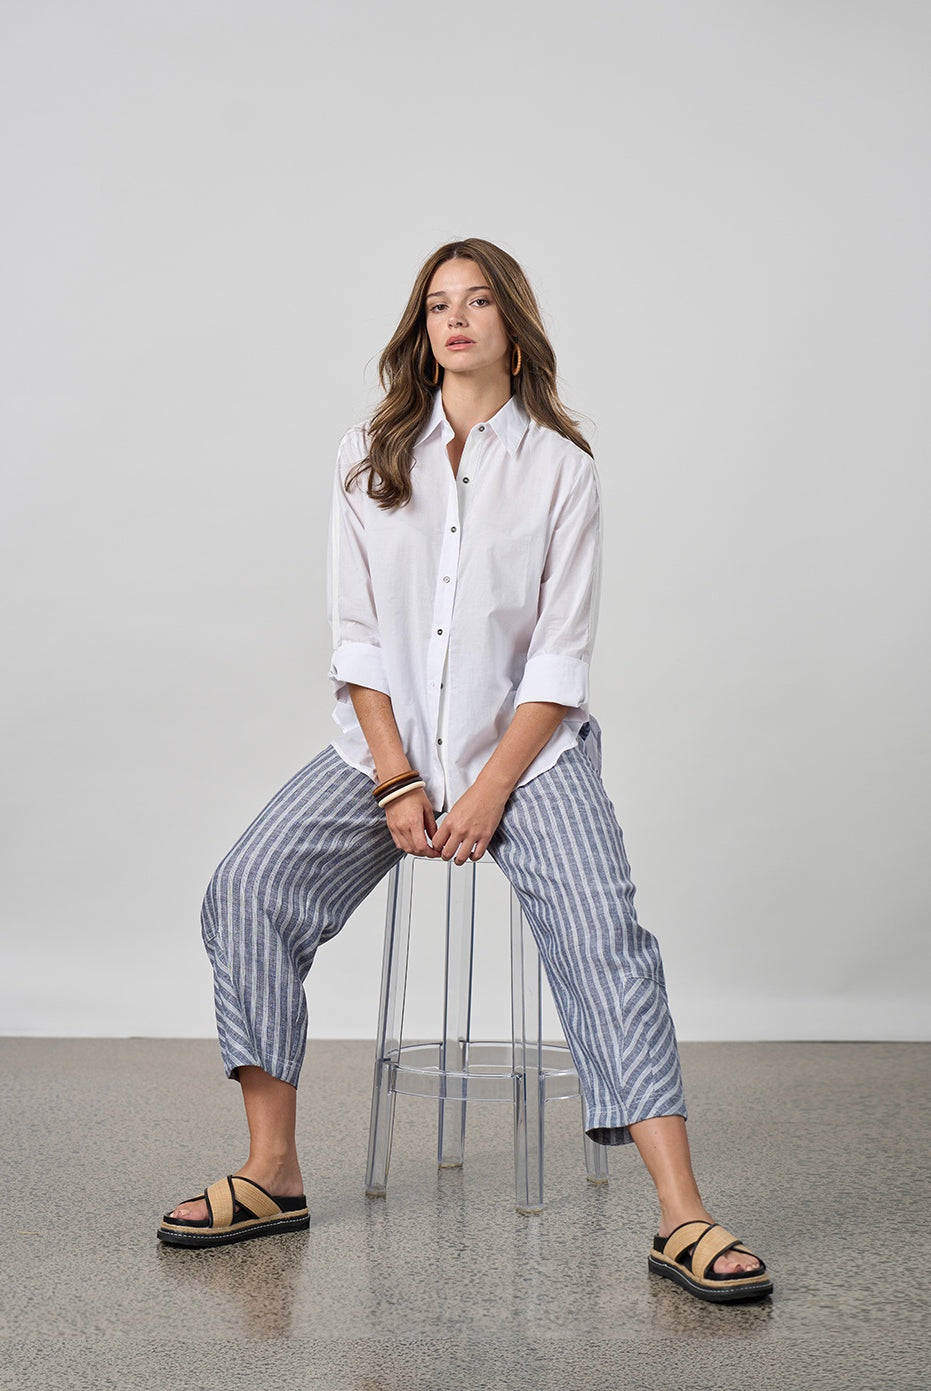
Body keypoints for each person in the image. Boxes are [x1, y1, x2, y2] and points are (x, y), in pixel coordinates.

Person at [157, 238, 772, 1303]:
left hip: (528, 758)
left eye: (477, 300)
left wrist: (489, 788)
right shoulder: (366, 454)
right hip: (381, 752)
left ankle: (681, 1211)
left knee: (604, 933)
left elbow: (559, 660)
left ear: (511, 327)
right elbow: (356, 638)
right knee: (247, 886)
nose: (455, 317)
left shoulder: (561, 470)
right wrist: (397, 777)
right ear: (421, 328)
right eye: (438, 302)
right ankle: (272, 1170)